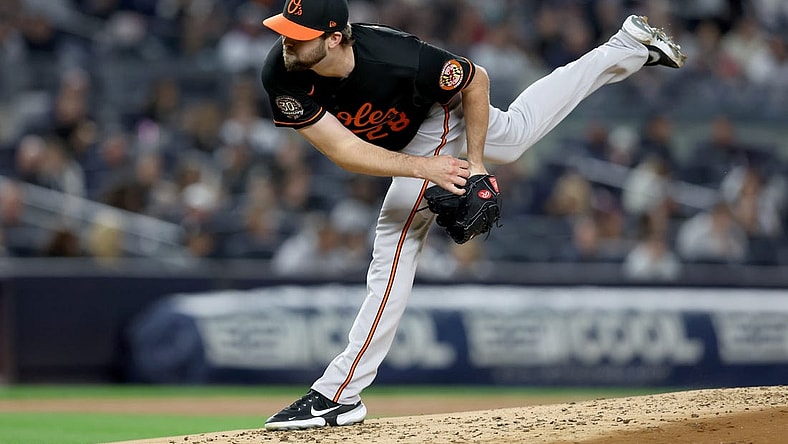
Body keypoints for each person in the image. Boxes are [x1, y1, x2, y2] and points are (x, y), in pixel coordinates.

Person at [259, 0, 686, 430]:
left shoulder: (396, 55)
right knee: (516, 135)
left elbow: (475, 79)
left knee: (395, 244)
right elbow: (345, 152)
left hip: (438, 115)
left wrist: (476, 166)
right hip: (412, 147)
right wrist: (426, 168)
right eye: (285, 30)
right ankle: (627, 46)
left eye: (298, 35)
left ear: (334, 39)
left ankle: (338, 394)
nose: (286, 41)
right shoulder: (281, 70)